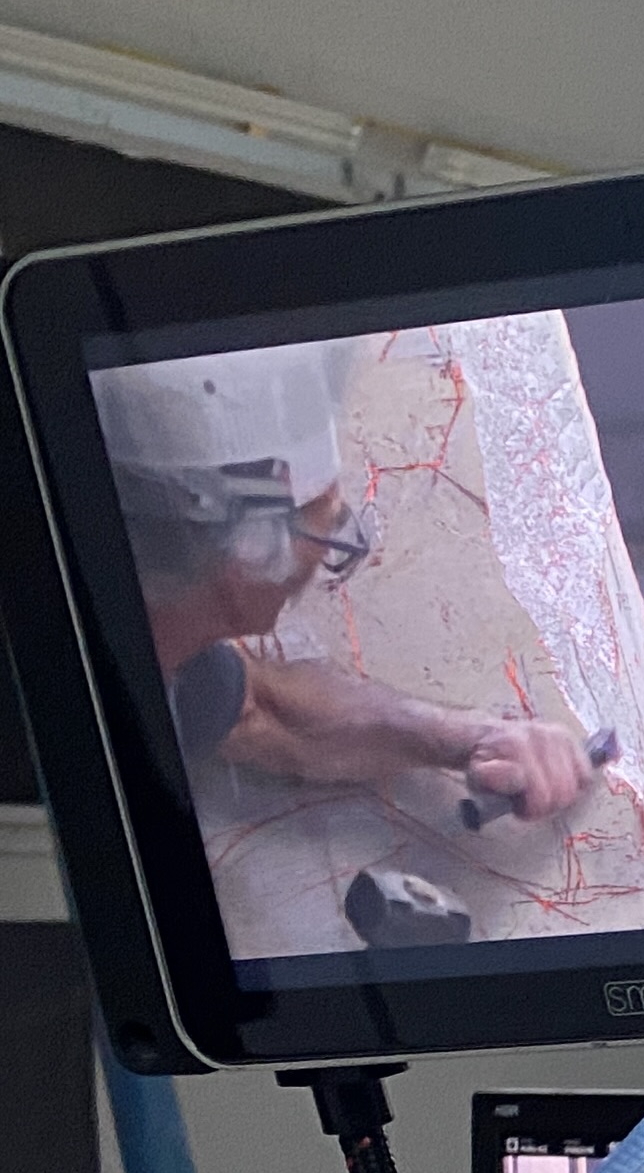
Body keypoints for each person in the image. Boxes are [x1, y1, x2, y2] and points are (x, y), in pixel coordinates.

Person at [99, 345, 600, 825]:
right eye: (327, 528)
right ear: (250, 551)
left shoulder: (173, 661)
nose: (325, 556)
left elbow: (268, 712)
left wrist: (474, 738)